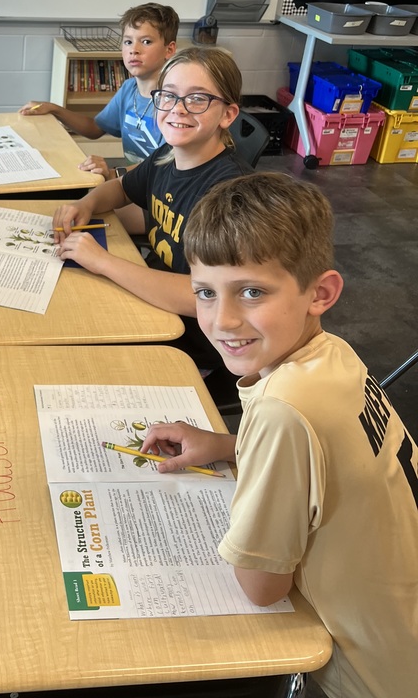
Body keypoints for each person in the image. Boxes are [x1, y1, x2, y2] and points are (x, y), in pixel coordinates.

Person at [141, 172, 418, 698]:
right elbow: (328, 457)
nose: (221, 319)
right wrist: (227, 445)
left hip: (374, 671)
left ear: (321, 293)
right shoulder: (333, 353)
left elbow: (262, 587)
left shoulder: (283, 410)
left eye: (250, 291)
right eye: (204, 292)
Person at [52, 46, 253, 405]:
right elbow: (122, 188)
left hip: (191, 344)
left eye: (197, 99)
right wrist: (86, 204)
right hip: (151, 303)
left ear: (228, 114)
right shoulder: (166, 156)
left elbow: (204, 299)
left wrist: (104, 262)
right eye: (169, 96)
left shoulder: (227, 196)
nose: (177, 109)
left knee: (67, 361)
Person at [20, 2, 178, 180]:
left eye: (146, 42)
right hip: (133, 184)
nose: (134, 50)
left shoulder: (175, 102)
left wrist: (114, 173)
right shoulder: (129, 89)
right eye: (128, 41)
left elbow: (167, 163)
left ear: (169, 49)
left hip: (159, 188)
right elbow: (95, 128)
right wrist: (53, 109)